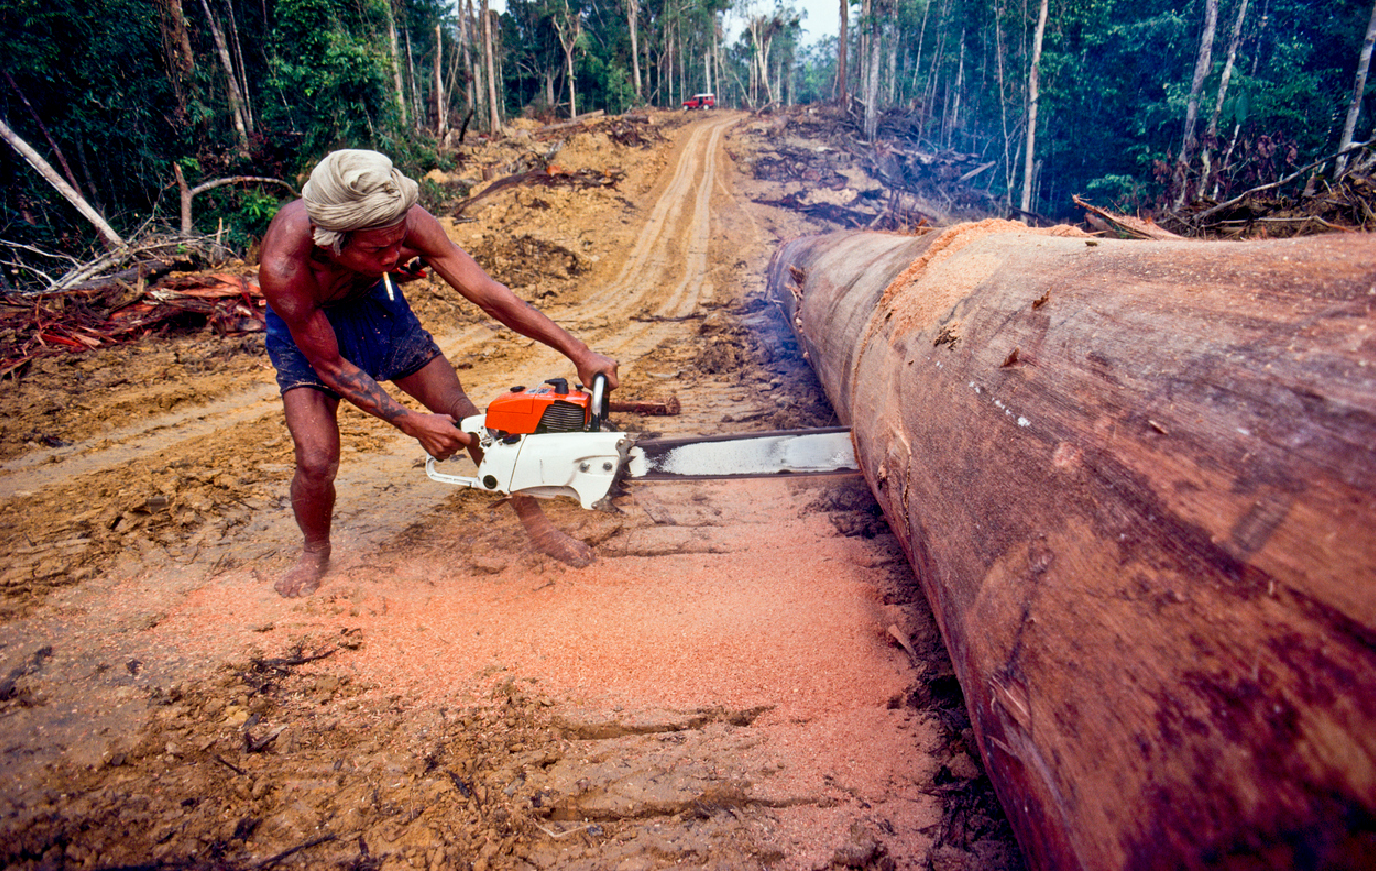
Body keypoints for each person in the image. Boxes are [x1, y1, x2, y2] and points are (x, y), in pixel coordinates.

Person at [259, 149, 620, 598]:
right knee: (315, 460)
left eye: (399, 242)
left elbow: (489, 294)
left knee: (472, 422)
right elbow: (330, 364)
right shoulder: (284, 265)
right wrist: (408, 421)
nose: (397, 256)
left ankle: (540, 530)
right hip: (307, 325)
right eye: (379, 249)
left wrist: (579, 351)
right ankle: (315, 549)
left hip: (378, 308)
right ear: (334, 240)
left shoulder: (406, 218)